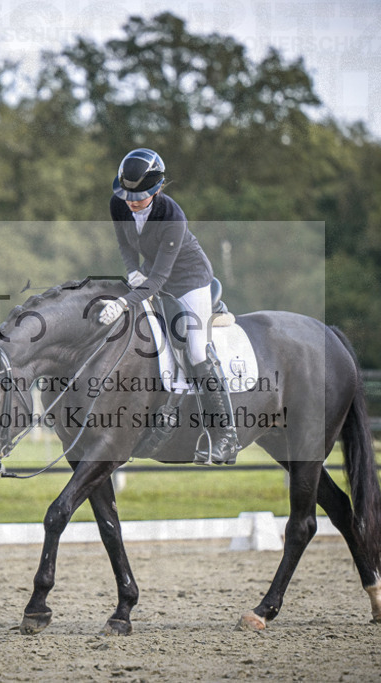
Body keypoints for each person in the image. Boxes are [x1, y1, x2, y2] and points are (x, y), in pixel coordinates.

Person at [98, 148, 237, 465]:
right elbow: (123, 241)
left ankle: (226, 436)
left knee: (197, 350)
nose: (132, 201)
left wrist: (123, 302)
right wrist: (132, 270)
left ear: (158, 189)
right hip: (151, 272)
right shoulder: (118, 202)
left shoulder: (173, 217)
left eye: (141, 195)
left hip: (189, 281)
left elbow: (160, 279)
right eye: (128, 194)